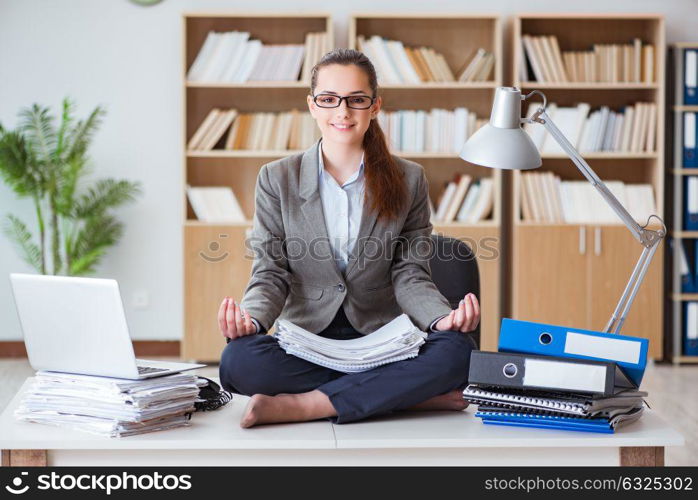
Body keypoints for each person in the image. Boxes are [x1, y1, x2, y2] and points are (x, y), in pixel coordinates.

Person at [218, 48, 480, 428]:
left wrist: (440, 319)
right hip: (307, 339)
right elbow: (271, 269)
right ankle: (406, 398)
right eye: (329, 100)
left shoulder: (409, 180)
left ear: (374, 107)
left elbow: (410, 272)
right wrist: (253, 321)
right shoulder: (277, 178)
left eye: (356, 100)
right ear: (312, 105)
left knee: (458, 352)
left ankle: (308, 405)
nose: (342, 113)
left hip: (383, 340)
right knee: (238, 361)